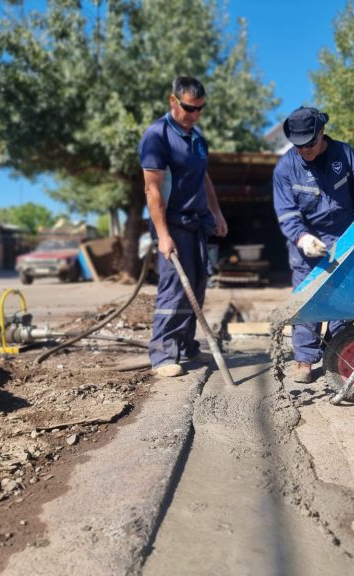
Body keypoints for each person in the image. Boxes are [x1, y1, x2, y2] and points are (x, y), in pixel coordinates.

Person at [273, 107, 354, 383]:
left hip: (344, 239)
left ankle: (337, 352)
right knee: (307, 299)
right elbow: (286, 212)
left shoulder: (345, 154)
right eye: (299, 145)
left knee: (340, 299)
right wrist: (302, 237)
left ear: (322, 133)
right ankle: (304, 359)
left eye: (310, 144)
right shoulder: (285, 169)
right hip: (307, 242)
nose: (305, 150)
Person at [138, 76, 228, 377]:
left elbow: (204, 177)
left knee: (198, 285)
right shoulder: (157, 136)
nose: (194, 115)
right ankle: (163, 354)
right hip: (172, 223)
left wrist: (216, 212)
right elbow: (152, 190)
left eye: (200, 109)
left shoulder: (197, 137)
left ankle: (187, 346)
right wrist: (162, 235)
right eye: (189, 108)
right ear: (173, 101)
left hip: (197, 222)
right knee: (175, 288)